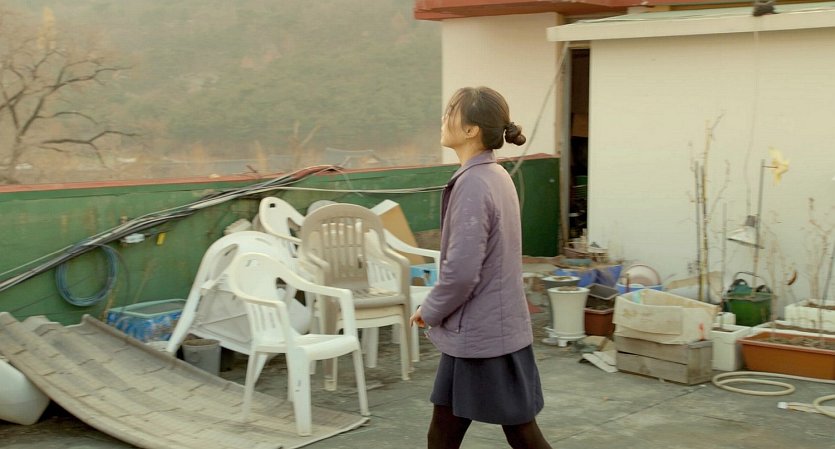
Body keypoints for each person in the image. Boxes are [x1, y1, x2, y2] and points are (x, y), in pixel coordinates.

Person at [409, 86, 552, 449]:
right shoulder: (495, 175)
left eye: (450, 114)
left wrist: (430, 309)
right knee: (444, 432)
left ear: (471, 129)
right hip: (487, 330)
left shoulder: (473, 183)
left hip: (481, 335)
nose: (443, 120)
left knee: (519, 432)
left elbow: (461, 272)